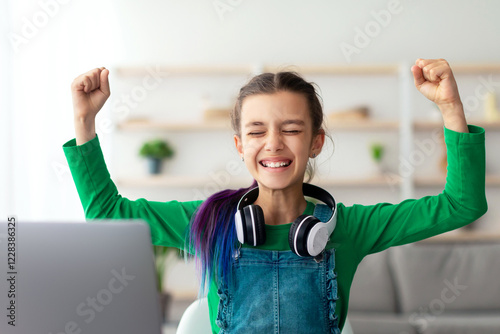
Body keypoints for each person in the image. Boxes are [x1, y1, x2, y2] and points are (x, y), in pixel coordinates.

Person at [64, 58, 487, 333]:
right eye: (256, 132)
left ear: (316, 141)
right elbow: (107, 213)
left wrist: (451, 108)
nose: (273, 144)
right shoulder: (209, 222)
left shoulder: (350, 228)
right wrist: (84, 120)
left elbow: (461, 204)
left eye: (291, 129)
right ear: (239, 146)